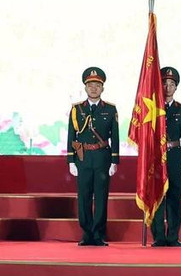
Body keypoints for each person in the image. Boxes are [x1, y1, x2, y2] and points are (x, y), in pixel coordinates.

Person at [67, 67, 119, 246]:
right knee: (84, 197)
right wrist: (71, 160)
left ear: (102, 88)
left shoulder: (110, 109)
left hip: (102, 157)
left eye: (97, 85)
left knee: (101, 196)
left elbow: (115, 136)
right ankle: (87, 234)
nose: (94, 88)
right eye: (90, 85)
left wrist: (114, 160)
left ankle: (98, 234)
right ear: (85, 87)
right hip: (83, 157)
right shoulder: (77, 109)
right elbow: (71, 136)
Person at [150, 66, 181, 247]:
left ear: (176, 87)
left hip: (174, 156)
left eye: (171, 84)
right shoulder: (151, 108)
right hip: (156, 157)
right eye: (164, 84)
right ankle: (158, 236)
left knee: (174, 197)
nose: (168, 87)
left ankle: (173, 237)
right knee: (157, 197)